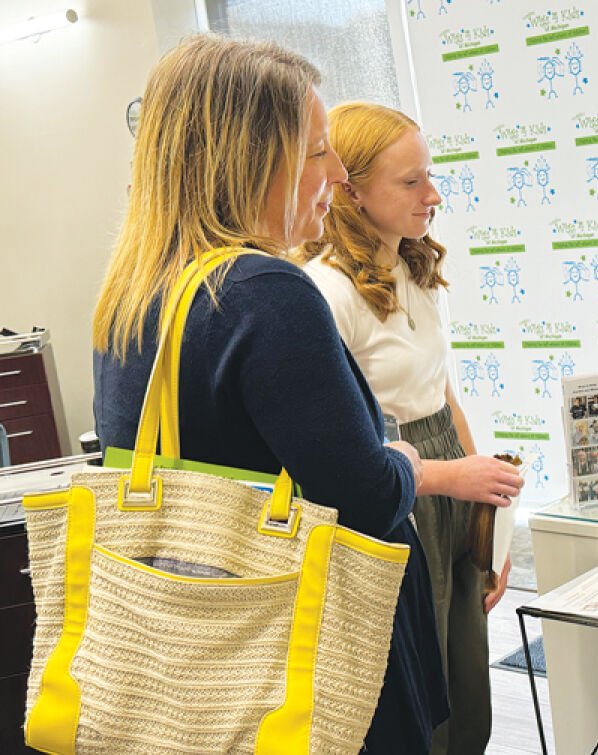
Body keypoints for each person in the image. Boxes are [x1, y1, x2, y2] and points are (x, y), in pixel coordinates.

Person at [91, 36, 448, 754]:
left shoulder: (131, 296)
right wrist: (403, 457)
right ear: (251, 158)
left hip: (199, 665)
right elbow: (367, 497)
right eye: (319, 150)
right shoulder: (265, 295)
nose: (340, 173)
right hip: (305, 661)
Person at [295, 102, 523, 755]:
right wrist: (457, 478)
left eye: (430, 174)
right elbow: (345, 450)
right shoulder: (326, 292)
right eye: (410, 182)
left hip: (448, 465)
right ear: (352, 189)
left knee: (467, 682)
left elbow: (443, 394)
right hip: (396, 479)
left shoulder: (417, 267)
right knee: (424, 698)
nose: (434, 195)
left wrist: (489, 509)